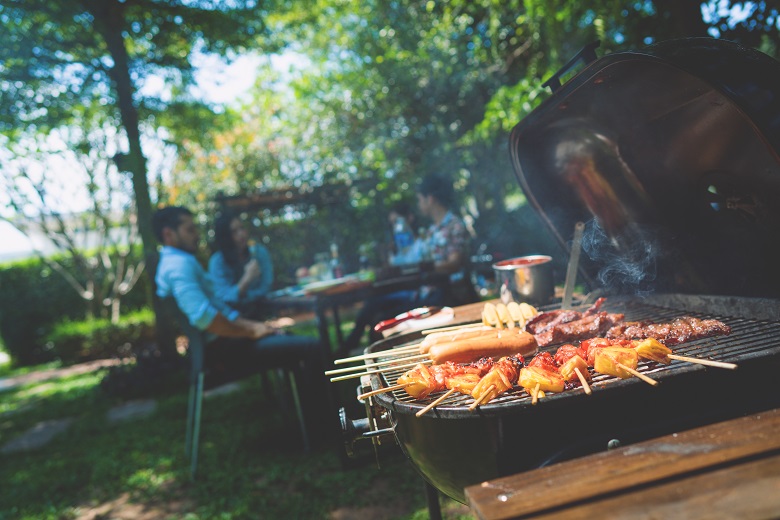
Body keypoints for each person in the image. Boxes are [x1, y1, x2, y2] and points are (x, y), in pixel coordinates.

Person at [152, 206, 336, 445]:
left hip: (227, 343)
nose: (197, 234)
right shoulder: (179, 266)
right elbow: (205, 319)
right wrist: (251, 331)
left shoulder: (176, 262)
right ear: (169, 234)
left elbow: (220, 311)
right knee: (313, 347)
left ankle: (315, 423)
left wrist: (257, 327)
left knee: (290, 338)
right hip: (222, 354)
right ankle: (327, 430)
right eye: (190, 229)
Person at [341, 173, 476, 354]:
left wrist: (424, 267)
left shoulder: (455, 225)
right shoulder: (431, 230)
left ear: (430, 199)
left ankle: (376, 361)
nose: (419, 205)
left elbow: (454, 263)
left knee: (379, 321)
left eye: (420, 200)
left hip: (444, 294)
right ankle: (347, 350)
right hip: (422, 290)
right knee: (373, 305)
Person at [208, 211, 274, 318]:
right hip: (232, 320)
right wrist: (247, 279)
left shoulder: (259, 253)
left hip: (260, 312)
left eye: (242, 228)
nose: (241, 234)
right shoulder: (217, 262)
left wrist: (243, 297)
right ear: (225, 236)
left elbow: (265, 287)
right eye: (234, 232)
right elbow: (223, 299)